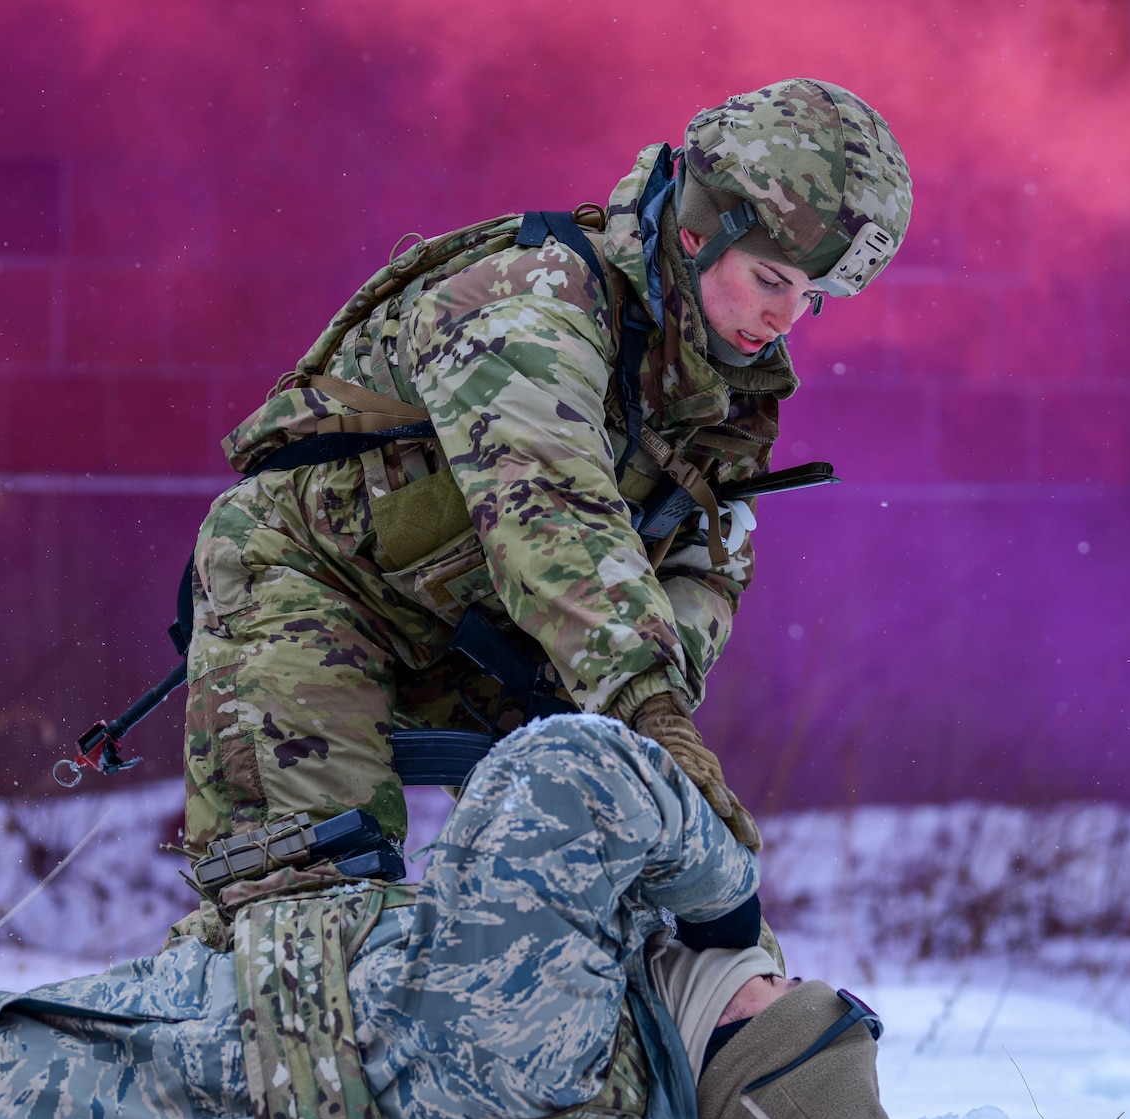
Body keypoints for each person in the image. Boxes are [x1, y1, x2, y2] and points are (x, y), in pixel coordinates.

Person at [0, 717, 891, 1119]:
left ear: (736, 1044)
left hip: (140, 1082)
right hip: (179, 1071)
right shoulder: (602, 1069)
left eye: (770, 986)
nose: (759, 962)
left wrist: (726, 892)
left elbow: (565, 769)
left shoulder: (548, 1026)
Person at [182, 77, 913, 884]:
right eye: (773, 280)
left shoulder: (722, 389)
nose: (784, 319)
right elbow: (550, 507)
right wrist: (646, 704)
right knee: (313, 927)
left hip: (503, 651)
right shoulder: (530, 304)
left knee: (613, 917)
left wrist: (644, 727)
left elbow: (706, 565)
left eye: (809, 298)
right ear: (701, 230)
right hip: (315, 590)